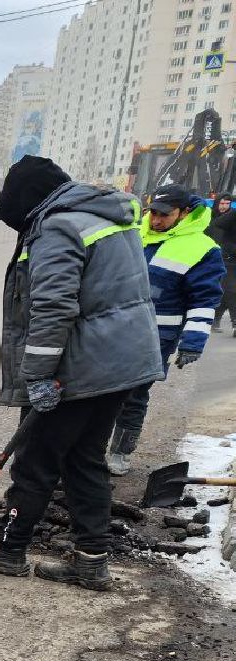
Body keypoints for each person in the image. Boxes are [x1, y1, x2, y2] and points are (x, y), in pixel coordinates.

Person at [0, 157, 162, 591]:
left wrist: (38, 376)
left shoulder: (58, 227)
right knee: (84, 458)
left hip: (83, 367)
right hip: (121, 364)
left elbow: (53, 307)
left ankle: (8, 551)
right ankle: (90, 561)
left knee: (35, 462)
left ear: (26, 199)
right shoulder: (106, 216)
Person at [106, 184, 225, 476]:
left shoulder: (203, 249)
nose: (156, 220)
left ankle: (120, 452)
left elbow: (204, 300)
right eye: (153, 213)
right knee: (101, 391)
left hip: (155, 338)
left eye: (164, 215)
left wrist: (193, 342)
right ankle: (89, 448)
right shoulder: (136, 233)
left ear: (185, 213)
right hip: (114, 330)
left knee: (133, 394)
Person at [206, 192, 236, 334]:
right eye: (222, 203)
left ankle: (216, 317)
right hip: (219, 258)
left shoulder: (231, 216)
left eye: (227, 203)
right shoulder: (211, 219)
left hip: (229, 258)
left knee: (226, 292)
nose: (224, 206)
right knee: (230, 290)